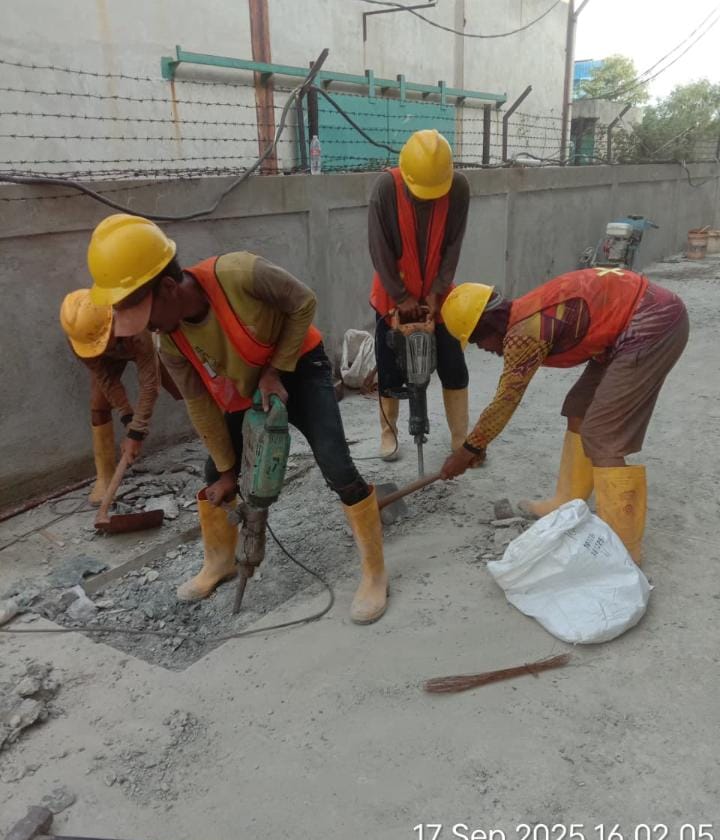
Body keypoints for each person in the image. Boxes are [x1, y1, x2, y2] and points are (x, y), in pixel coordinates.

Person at [86, 213, 388, 624]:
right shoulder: (170, 342)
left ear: (169, 288)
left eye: (145, 315)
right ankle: (221, 562)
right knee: (215, 472)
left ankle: (374, 573)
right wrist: (229, 470)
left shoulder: (241, 274)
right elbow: (198, 402)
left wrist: (275, 369)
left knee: (335, 460)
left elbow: (304, 302)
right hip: (249, 384)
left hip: (299, 365)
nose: (146, 329)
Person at [439, 267, 689, 562]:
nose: (482, 348)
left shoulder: (524, 332)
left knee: (602, 435)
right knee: (578, 408)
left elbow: (506, 399)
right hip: (628, 323)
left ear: (486, 326)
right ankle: (567, 500)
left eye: (478, 341)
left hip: (652, 324)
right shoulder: (523, 312)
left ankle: (623, 550)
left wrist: (469, 449)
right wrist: (475, 448)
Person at [368, 129, 471, 460]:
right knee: (390, 367)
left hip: (439, 298)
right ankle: (389, 434)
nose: (427, 198)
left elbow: (454, 245)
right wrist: (401, 298)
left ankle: (461, 439)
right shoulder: (385, 188)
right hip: (391, 297)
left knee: (453, 365)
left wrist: (438, 291)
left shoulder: (458, 188)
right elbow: (378, 247)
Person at [59, 289, 172, 504]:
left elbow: (149, 385)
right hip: (112, 350)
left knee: (182, 387)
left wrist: (137, 432)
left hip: (135, 343)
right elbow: (106, 378)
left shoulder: (136, 328)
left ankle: (212, 440)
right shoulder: (79, 337)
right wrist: (127, 416)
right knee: (98, 404)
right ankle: (105, 477)